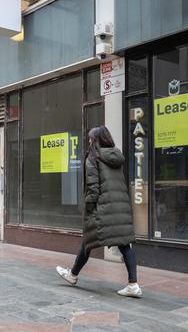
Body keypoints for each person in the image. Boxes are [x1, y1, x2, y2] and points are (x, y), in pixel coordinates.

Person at [56, 126, 142, 297]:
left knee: (88, 241)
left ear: (96, 140)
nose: (89, 142)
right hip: (120, 207)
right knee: (125, 244)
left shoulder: (93, 158)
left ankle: (72, 275)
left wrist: (88, 209)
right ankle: (133, 284)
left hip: (103, 207)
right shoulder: (116, 157)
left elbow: (93, 188)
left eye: (90, 139)